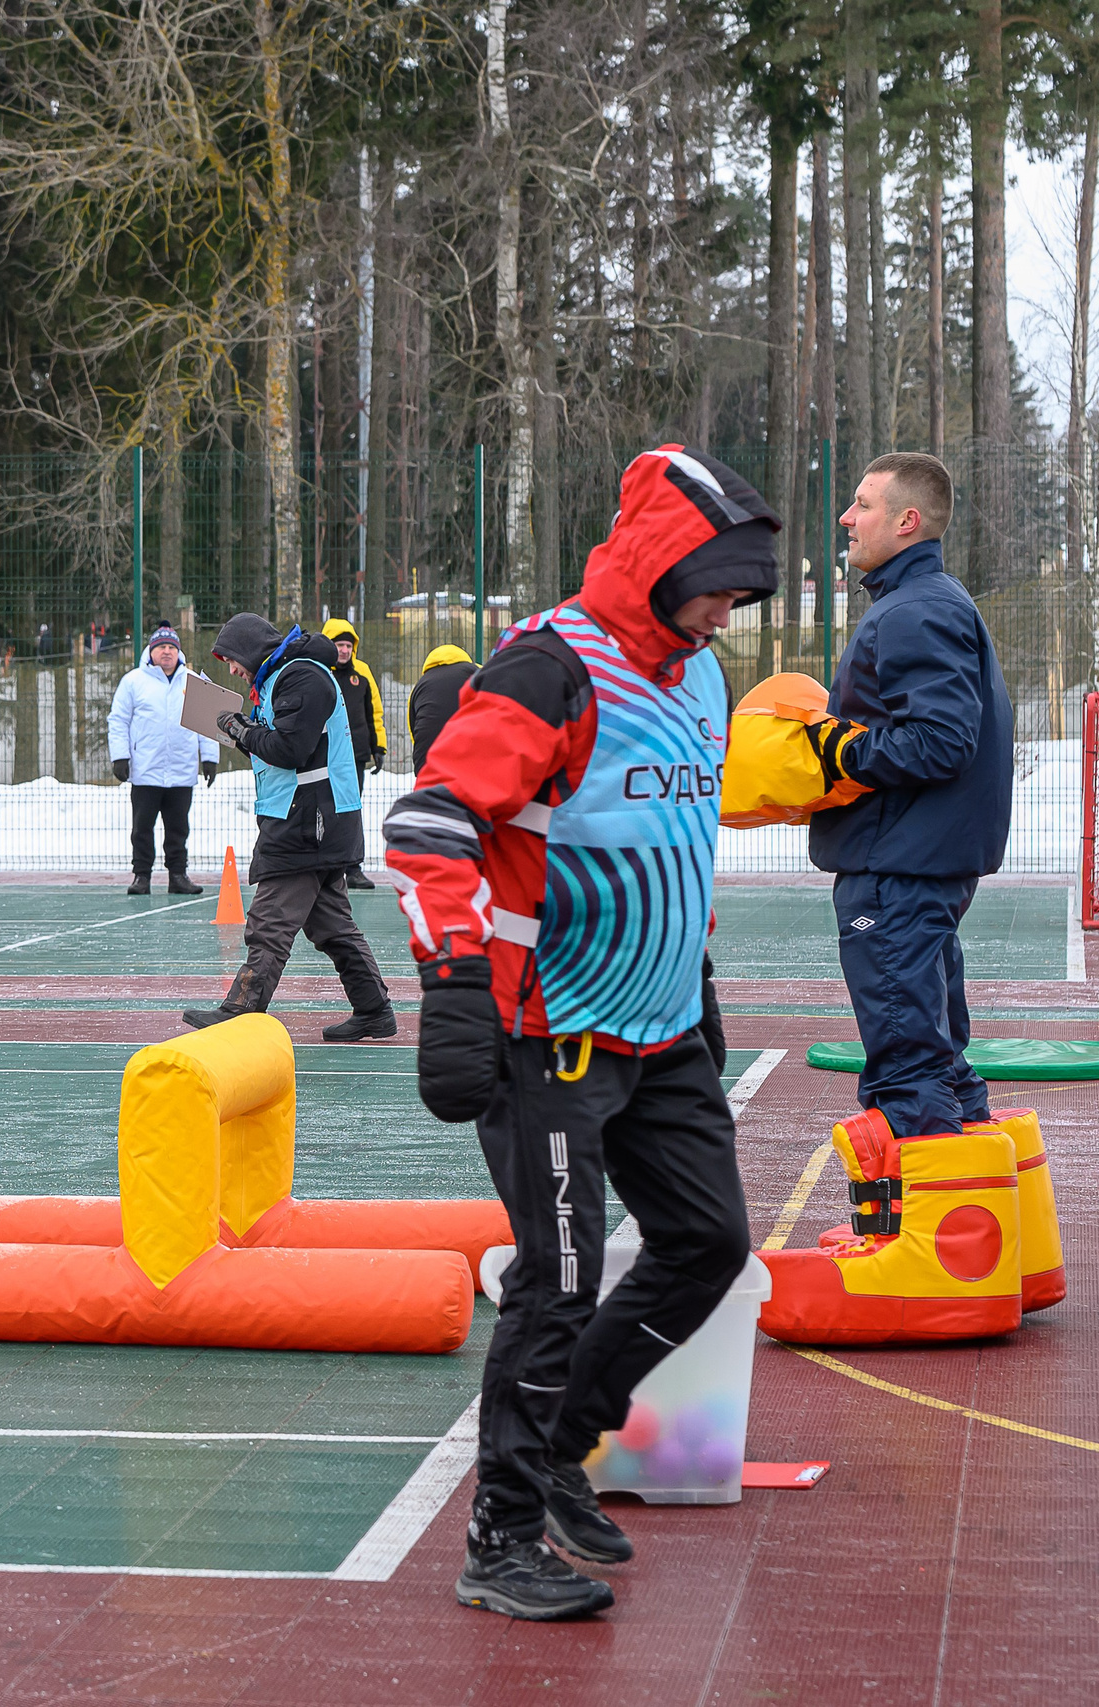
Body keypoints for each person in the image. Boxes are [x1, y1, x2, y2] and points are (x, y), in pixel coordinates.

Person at [382, 446, 771, 1620]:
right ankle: (496, 1543)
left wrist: (691, 976)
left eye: (741, 595)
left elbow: (675, 838)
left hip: (664, 1029)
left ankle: (560, 1449)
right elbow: (426, 820)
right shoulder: (552, 669)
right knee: (552, 1283)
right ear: (660, 563)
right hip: (547, 1031)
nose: (727, 612)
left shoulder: (700, 675)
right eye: (715, 585)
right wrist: (453, 986)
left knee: (707, 1245)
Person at [809, 452, 1015, 1147]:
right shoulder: (926, 602)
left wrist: (838, 750)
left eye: (862, 504)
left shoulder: (915, 611)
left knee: (908, 1068)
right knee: (939, 1061)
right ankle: (977, 1235)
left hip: (897, 869)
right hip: (913, 863)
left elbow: (941, 740)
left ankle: (931, 1247)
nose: (847, 517)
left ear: (906, 520)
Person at [186, 613, 396, 1042]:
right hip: (311, 818)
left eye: (231, 659)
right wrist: (243, 732)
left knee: (270, 921)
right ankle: (374, 1010)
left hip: (309, 821)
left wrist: (241, 730)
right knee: (332, 926)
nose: (231, 669)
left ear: (248, 649)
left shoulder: (301, 677)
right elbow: (282, 750)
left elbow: (290, 748)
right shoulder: (286, 677)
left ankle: (240, 1011)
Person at [107, 626, 218, 895]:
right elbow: (118, 720)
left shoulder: (193, 681)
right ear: (151, 651)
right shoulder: (133, 681)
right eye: (161, 647)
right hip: (146, 770)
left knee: (178, 828)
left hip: (182, 770)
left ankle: (178, 876)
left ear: (178, 652)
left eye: (172, 647)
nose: (166, 651)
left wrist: (210, 758)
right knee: (142, 828)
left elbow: (207, 721)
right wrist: (120, 756)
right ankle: (141, 876)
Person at [320, 619, 388, 888]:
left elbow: (375, 711)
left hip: (355, 754)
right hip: (324, 754)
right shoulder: (318, 672)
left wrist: (378, 746)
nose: (344, 650)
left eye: (348, 645)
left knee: (351, 810)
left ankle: (353, 867)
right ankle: (326, 865)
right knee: (324, 808)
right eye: (339, 644)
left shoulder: (362, 673)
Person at [405, 642, 476, 772]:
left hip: (428, 761)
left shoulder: (419, 686)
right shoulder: (477, 671)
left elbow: (414, 729)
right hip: (474, 757)